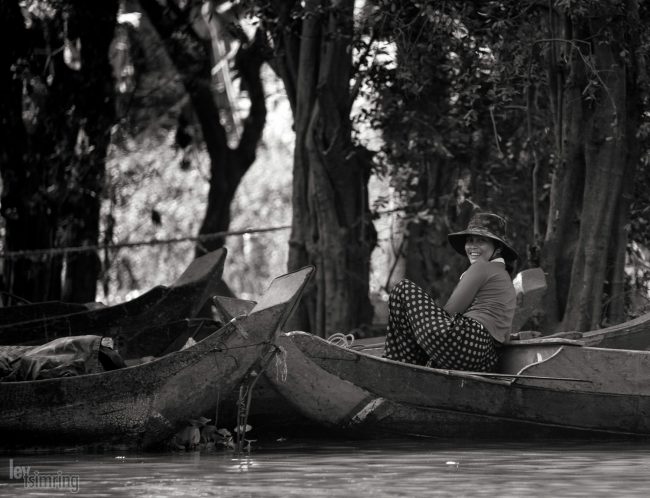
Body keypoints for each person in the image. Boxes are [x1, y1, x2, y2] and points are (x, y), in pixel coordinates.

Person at [383, 212, 518, 372]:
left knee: (403, 289)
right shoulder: (502, 275)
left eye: (481, 240)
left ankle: (399, 366)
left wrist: (416, 328)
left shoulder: (482, 266)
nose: (472, 246)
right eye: (470, 240)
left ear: (498, 248)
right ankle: (409, 365)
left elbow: (450, 312)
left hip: (471, 343)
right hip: (486, 357)